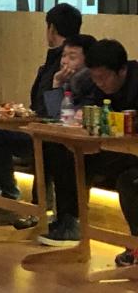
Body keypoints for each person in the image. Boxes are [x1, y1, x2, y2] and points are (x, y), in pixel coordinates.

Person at [0, 4, 84, 217]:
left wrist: (54, 86)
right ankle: (2, 199)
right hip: (44, 129)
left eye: (71, 56)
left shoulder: (66, 68)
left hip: (54, 135)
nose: (66, 60)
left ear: (51, 29)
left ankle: (7, 199)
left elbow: (53, 111)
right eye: (66, 55)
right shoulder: (56, 61)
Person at [39, 39, 138, 251]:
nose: (99, 83)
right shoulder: (89, 82)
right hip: (113, 151)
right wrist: (79, 115)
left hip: (131, 153)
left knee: (129, 180)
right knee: (64, 152)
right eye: (94, 77)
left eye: (103, 77)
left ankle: (134, 246)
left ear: (122, 70)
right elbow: (56, 116)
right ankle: (70, 222)